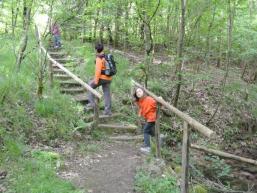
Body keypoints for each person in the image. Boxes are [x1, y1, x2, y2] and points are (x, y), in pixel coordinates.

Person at [85, 43, 112, 115]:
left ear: (96, 50)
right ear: (103, 49)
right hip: (108, 78)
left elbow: (98, 71)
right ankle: (108, 111)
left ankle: (92, 104)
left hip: (102, 78)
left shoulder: (99, 58)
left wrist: (96, 81)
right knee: (107, 93)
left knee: (90, 86)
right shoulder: (106, 56)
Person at [134, 87, 157, 153]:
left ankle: (148, 147)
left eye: (140, 91)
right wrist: (140, 113)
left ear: (143, 92)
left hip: (152, 118)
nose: (138, 93)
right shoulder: (141, 100)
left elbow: (156, 103)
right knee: (150, 132)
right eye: (137, 92)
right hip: (148, 118)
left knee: (145, 130)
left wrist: (159, 99)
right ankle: (153, 143)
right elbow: (142, 107)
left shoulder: (149, 99)